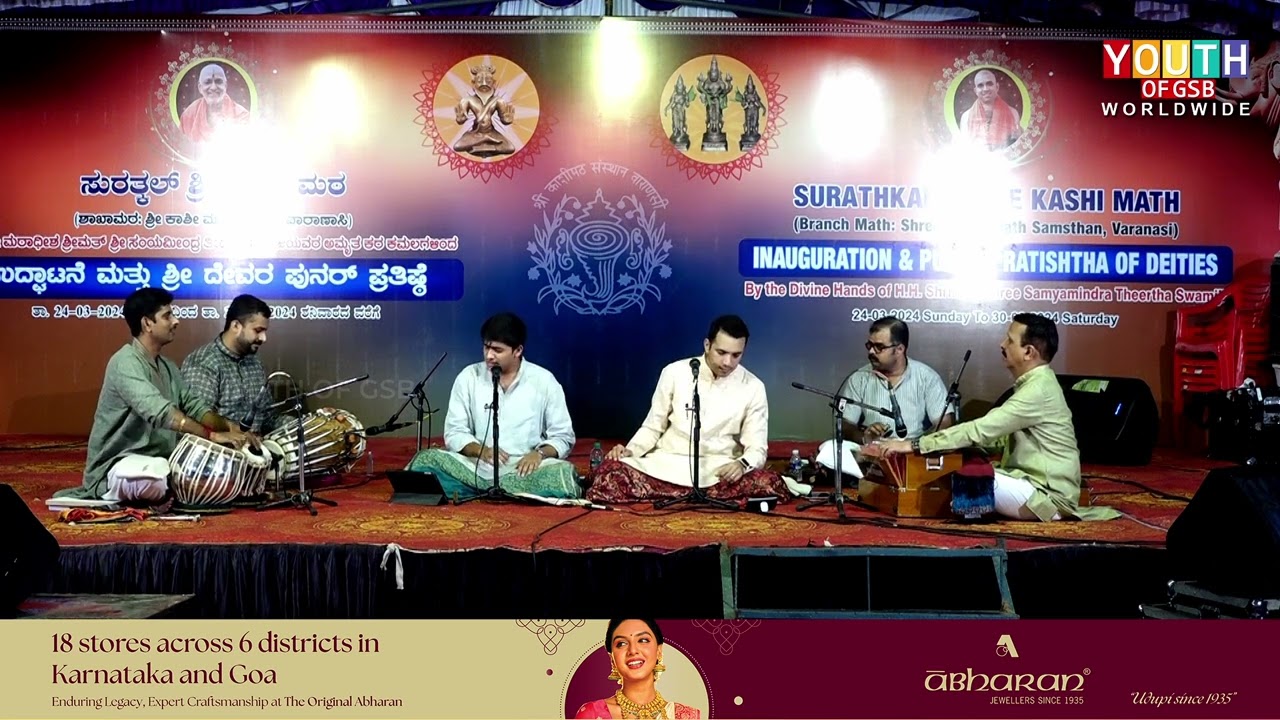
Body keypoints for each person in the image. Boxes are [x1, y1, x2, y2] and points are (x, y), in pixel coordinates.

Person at [876, 313, 1120, 522]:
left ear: (1028, 352)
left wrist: (914, 445)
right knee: (963, 460)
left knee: (963, 477)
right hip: (1028, 485)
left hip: (1046, 498)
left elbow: (982, 429)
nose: (1001, 344)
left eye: (1009, 340)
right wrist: (960, 448)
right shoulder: (1034, 384)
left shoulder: (1039, 390)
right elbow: (998, 439)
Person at [55, 288, 257, 503]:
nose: (176, 321)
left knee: (217, 466)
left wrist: (231, 429)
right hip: (119, 464)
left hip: (162, 461)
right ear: (147, 324)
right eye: (167, 316)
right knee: (154, 478)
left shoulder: (168, 367)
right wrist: (212, 436)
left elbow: (196, 407)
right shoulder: (125, 362)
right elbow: (160, 412)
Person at [587, 315, 788, 505]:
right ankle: (700, 497)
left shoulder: (753, 386)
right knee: (609, 473)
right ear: (707, 345)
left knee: (770, 483)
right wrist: (630, 451)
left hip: (719, 471)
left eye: (736, 355)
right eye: (721, 352)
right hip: (667, 463)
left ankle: (681, 494)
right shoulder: (674, 373)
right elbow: (653, 426)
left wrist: (741, 465)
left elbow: (757, 448)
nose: (728, 362)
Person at [406, 312, 579, 500]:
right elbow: (455, 431)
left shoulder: (544, 381)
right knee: (424, 460)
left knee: (564, 475)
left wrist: (538, 454)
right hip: (475, 467)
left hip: (524, 469)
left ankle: (476, 490)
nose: (489, 355)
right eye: (486, 347)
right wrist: (482, 451)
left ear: (518, 350)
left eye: (497, 350)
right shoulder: (469, 377)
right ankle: (510, 492)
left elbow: (563, 436)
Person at [816, 316, 952, 476]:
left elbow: (944, 424)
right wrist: (866, 437)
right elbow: (845, 425)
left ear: (899, 349)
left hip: (910, 451)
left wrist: (911, 445)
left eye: (879, 347)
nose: (871, 352)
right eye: (869, 345)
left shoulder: (926, 377)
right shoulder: (860, 378)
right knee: (829, 447)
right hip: (872, 453)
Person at [181, 294, 276, 434]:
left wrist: (307, 423)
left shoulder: (255, 363)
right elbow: (197, 423)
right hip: (219, 453)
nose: (263, 338)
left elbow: (269, 419)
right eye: (258, 331)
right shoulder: (204, 363)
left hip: (257, 450)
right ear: (236, 326)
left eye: (264, 331)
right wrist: (234, 436)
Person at [574, 619, 701, 719]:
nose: (633, 650)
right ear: (612, 658)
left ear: (659, 651)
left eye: (643, 640)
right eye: (621, 643)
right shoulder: (592, 714)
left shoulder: (687, 716)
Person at [180, 63, 250, 143]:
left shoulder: (241, 115)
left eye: (218, 81)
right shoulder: (188, 116)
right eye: (207, 82)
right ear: (200, 88)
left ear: (225, 86)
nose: (213, 87)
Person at [959, 68, 1022, 151]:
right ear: (975, 91)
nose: (985, 89)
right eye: (980, 85)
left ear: (997, 87)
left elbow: (1016, 145)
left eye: (989, 84)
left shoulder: (1012, 113)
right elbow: (964, 147)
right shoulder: (966, 117)